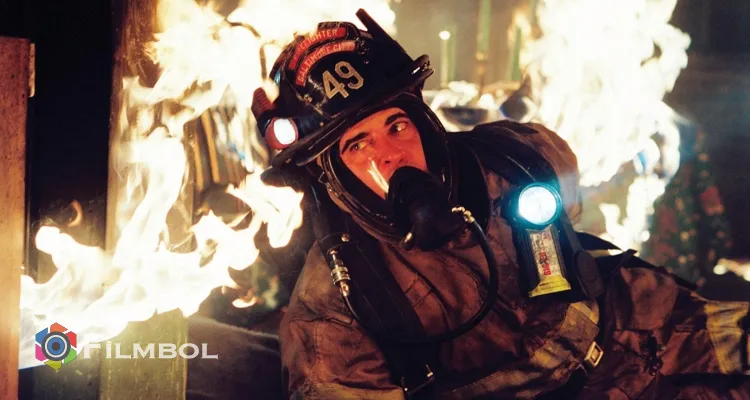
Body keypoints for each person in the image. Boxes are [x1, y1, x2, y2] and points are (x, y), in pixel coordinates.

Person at [251, 9, 750, 399]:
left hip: (655, 330)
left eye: (396, 126)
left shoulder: (517, 156)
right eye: (358, 146)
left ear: (423, 121)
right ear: (333, 177)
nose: (390, 156)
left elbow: (569, 208)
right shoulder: (334, 309)